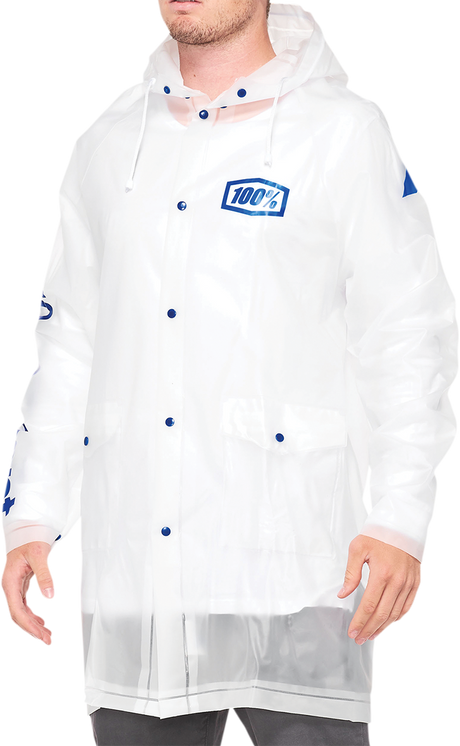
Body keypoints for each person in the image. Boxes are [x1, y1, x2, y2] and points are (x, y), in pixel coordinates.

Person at [0, 1, 458, 745]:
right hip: (140, 587)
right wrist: (30, 517)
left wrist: (401, 517)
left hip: (300, 576)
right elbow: (67, 345)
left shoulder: (344, 132)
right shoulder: (109, 144)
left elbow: (408, 334)